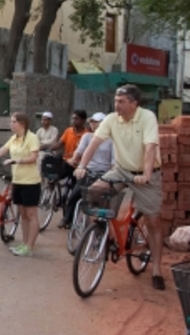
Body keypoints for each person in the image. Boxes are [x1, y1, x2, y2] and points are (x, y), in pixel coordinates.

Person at [74, 85, 165, 290]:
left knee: (152, 220)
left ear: (134, 103)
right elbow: (94, 144)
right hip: (121, 170)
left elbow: (150, 147)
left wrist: (147, 174)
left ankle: (157, 268)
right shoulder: (111, 119)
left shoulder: (147, 117)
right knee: (95, 193)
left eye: (121, 101)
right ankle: (105, 236)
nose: (117, 105)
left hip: (146, 173)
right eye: (116, 101)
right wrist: (81, 166)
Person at [0, 112, 41, 257]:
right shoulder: (14, 139)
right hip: (17, 181)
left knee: (31, 214)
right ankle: (24, 244)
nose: (11, 124)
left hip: (31, 182)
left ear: (22, 123)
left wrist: (16, 161)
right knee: (22, 215)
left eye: (13, 122)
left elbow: (33, 157)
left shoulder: (32, 137)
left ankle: (30, 246)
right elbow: (0, 151)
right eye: (11, 122)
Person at [57, 112, 115, 229]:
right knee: (75, 194)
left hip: (104, 173)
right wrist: (74, 159)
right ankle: (67, 219)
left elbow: (114, 161)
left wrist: (111, 173)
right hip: (87, 171)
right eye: (91, 122)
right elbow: (79, 151)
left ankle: (102, 227)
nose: (92, 125)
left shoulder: (111, 140)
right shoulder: (87, 136)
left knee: (101, 202)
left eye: (96, 122)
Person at [49, 110, 87, 181]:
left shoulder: (87, 134)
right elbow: (59, 144)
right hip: (67, 161)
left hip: (79, 164)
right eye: (72, 118)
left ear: (83, 121)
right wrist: (50, 149)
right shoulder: (68, 131)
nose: (73, 121)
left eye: (76, 119)